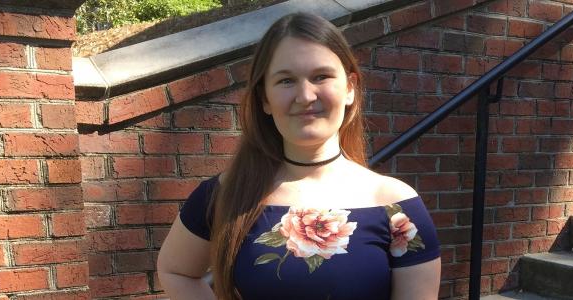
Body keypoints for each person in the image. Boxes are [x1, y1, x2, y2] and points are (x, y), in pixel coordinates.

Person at [156, 12, 441, 300]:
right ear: (265, 99)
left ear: (350, 88)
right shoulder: (224, 195)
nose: (305, 95)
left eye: (321, 76)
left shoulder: (398, 208)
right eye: (286, 81)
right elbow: (175, 271)